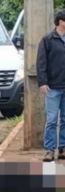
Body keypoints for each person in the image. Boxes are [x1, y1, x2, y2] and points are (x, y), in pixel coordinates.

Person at [37, 9, 65, 162]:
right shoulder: (48, 39)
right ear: (61, 22)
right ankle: (49, 150)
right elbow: (41, 62)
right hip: (53, 87)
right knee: (52, 119)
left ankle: (62, 148)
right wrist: (43, 82)